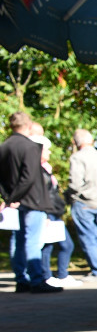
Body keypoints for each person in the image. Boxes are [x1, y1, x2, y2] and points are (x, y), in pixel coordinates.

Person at [0, 111, 61, 293]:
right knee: (32, 240)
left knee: (18, 241)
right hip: (32, 200)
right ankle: (36, 279)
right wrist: (15, 197)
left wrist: (9, 197)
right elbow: (29, 178)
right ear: (28, 126)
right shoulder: (31, 147)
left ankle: (21, 279)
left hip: (15, 201)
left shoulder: (3, 147)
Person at [66, 128, 97, 280]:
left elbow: (74, 183)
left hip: (84, 203)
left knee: (88, 238)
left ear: (76, 142)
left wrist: (71, 196)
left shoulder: (77, 158)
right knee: (96, 237)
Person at [30, 134, 78, 289]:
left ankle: (53, 275)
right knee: (53, 245)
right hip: (47, 212)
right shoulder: (36, 170)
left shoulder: (45, 169)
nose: (49, 153)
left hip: (53, 211)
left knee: (52, 245)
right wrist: (45, 213)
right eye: (47, 150)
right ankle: (49, 276)